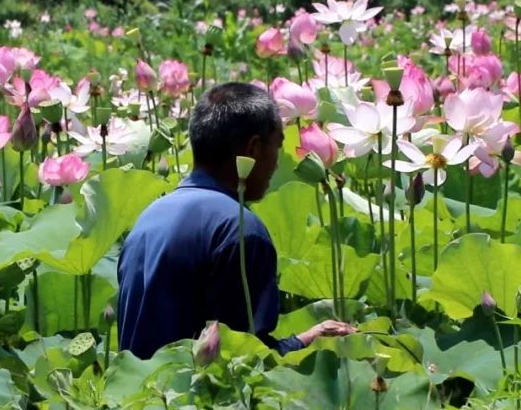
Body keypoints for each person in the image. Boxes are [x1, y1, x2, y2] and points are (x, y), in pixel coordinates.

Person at [117, 82, 356, 359]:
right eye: (277, 148)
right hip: (191, 399)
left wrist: (306, 338)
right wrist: (305, 345)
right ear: (253, 149)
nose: (278, 164)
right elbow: (241, 362)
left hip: (137, 398)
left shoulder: (149, 217)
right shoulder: (241, 229)